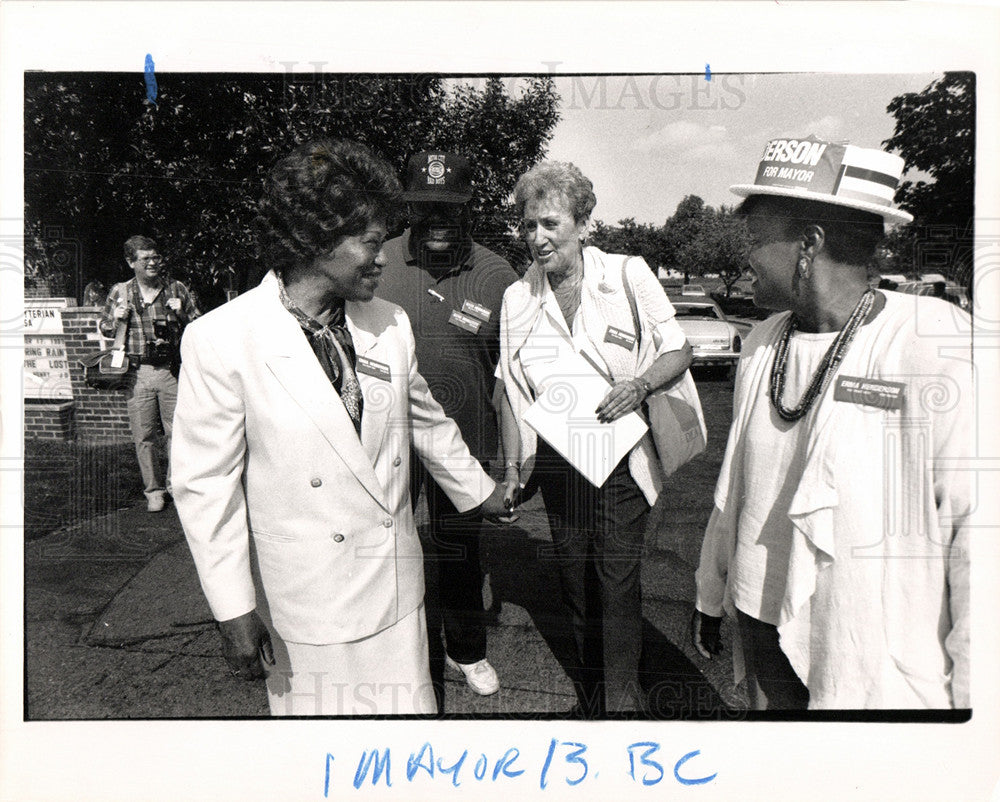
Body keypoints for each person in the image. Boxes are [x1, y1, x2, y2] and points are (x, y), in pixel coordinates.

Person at [171, 139, 507, 716]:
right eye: (370, 244)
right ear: (314, 238)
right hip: (305, 600)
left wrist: (481, 492)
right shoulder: (223, 338)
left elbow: (425, 420)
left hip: (395, 591)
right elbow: (206, 485)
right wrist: (232, 606)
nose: (383, 259)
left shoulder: (388, 322)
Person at [691, 137, 971, 710]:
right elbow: (735, 489)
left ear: (808, 244)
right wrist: (710, 591)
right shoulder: (763, 341)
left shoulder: (936, 344)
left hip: (865, 647)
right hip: (760, 620)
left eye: (755, 238)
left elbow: (979, 539)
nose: (745, 256)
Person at [497, 161, 693, 717]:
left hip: (623, 458)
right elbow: (511, 389)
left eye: (551, 224)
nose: (537, 237)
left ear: (584, 224)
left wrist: (639, 385)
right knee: (575, 585)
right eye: (529, 225)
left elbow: (679, 349)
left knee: (615, 581)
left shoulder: (627, 274)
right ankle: (593, 696)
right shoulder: (517, 299)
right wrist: (513, 473)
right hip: (561, 465)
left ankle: (623, 706)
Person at [377, 151, 520, 698]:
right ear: (409, 209)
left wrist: (511, 462)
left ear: (468, 211)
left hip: (465, 439)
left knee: (459, 548)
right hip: (386, 435)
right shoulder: (378, 263)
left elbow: (514, 373)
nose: (437, 219)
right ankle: (390, 646)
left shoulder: (496, 273)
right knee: (385, 542)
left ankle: (466, 650)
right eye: (425, 207)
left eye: (450, 208)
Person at [99, 236, 200, 512]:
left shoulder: (175, 288)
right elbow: (106, 329)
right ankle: (153, 491)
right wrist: (116, 319)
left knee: (177, 433)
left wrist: (182, 315)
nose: (153, 262)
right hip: (137, 372)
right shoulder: (120, 292)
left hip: (171, 371)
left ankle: (175, 485)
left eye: (156, 257)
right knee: (143, 436)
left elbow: (199, 328)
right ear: (131, 262)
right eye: (146, 259)